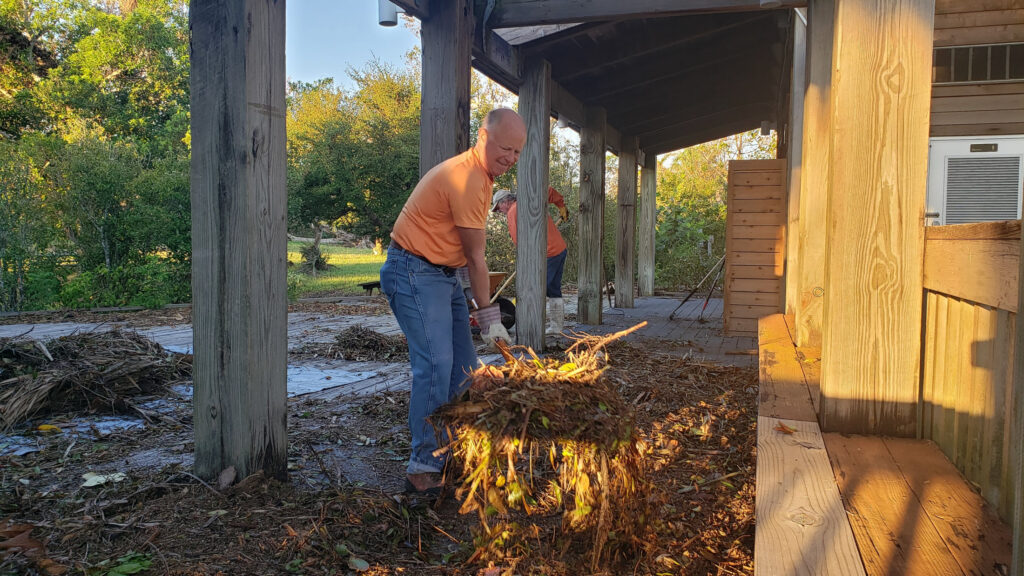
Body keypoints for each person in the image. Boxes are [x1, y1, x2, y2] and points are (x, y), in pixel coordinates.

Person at [379, 108, 526, 496]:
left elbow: (462, 256)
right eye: (505, 148)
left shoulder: (482, 178)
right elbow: (477, 259)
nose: (511, 158)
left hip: (444, 275)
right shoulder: (467, 177)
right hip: (412, 270)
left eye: (517, 152)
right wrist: (493, 322)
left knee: (464, 368)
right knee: (436, 364)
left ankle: (449, 447)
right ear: (483, 136)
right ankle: (422, 466)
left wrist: (471, 304)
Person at [491, 186, 569, 334]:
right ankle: (556, 326)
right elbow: (548, 190)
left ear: (505, 201)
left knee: (538, 286)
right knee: (552, 288)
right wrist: (561, 205)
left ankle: (533, 326)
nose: (499, 211)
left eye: (498, 207)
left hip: (549, 252)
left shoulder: (513, 211)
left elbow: (519, 240)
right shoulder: (529, 200)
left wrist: (526, 261)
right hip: (559, 249)